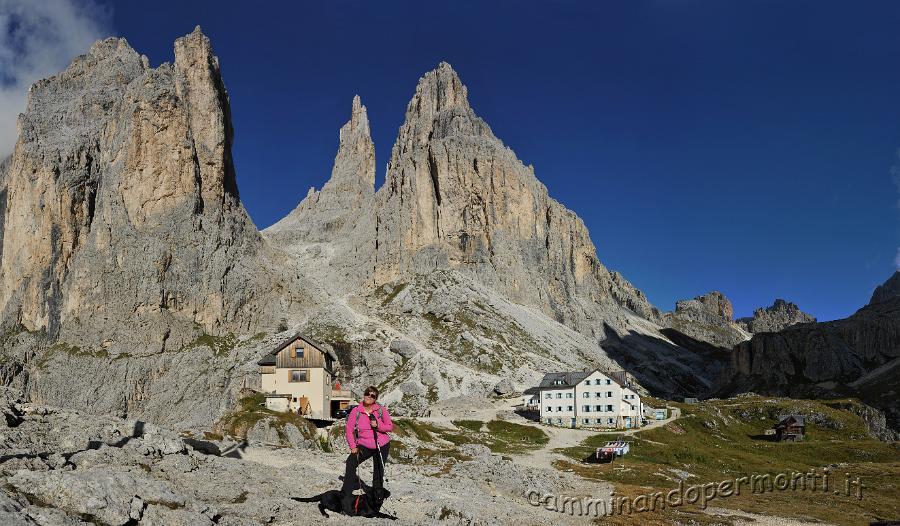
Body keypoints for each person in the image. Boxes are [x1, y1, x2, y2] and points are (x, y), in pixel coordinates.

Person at [342, 386, 393, 495]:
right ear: (364, 394)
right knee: (351, 462)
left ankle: (377, 495)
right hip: (364, 445)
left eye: (372, 395)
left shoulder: (380, 410)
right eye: (367, 394)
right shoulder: (356, 411)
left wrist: (378, 425)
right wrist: (353, 446)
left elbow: (389, 427)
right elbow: (349, 430)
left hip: (381, 444)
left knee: (379, 470)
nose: (369, 397)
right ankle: (345, 494)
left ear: (375, 399)